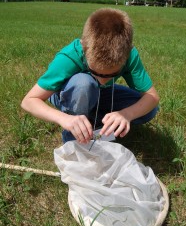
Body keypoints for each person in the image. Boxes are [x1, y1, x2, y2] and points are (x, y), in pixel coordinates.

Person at [21, 8, 159, 144]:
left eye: (113, 74)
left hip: (101, 94)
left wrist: (126, 115)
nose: (103, 80)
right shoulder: (69, 56)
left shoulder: (129, 54)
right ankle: (74, 138)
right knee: (83, 83)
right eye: (96, 73)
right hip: (68, 93)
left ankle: (94, 123)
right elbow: (29, 100)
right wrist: (64, 119)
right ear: (83, 46)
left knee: (149, 109)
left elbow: (152, 97)